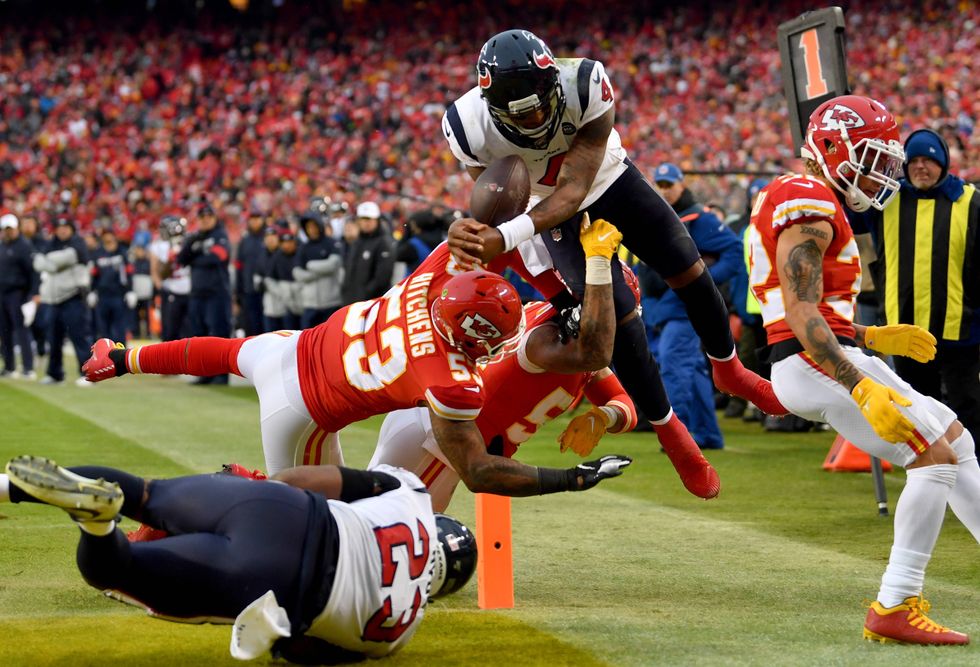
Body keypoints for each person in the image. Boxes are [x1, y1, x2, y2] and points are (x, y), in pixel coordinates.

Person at [442, 29, 786, 498]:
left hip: (607, 180)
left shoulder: (584, 82)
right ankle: (672, 433)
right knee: (618, 319)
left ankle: (728, 367)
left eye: (544, 103)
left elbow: (574, 188)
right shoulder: (466, 126)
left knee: (686, 265)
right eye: (524, 113)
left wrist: (503, 233)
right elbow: (502, 204)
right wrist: (493, 238)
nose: (540, 118)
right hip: (544, 209)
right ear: (493, 107)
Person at [81, 218, 633, 500]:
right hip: (301, 409)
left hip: (290, 346)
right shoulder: (449, 378)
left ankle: (123, 358)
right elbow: (481, 471)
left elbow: (210, 353)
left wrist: (128, 358)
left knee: (227, 352)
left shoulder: (434, 273)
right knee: (301, 519)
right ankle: (189, 507)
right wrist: (571, 479)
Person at [746, 94, 980, 645]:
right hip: (814, 361)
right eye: (872, 159)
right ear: (832, 150)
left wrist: (869, 337)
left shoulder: (808, 194)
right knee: (932, 458)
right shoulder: (808, 200)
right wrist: (859, 382)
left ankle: (899, 599)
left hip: (828, 352)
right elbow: (801, 314)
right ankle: (896, 601)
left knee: (954, 435)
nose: (883, 175)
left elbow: (808, 306)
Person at [0, 455, 475, 662]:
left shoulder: (412, 496)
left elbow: (306, 479)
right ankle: (97, 525)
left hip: (286, 511)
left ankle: (7, 487)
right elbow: (298, 651)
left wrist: (258, 495)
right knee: (117, 568)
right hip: (279, 581)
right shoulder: (398, 634)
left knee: (144, 494)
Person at [370, 292, 637, 510]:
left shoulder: (568, 342)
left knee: (396, 531)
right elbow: (577, 359)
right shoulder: (546, 345)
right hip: (437, 438)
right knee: (383, 524)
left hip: (451, 440)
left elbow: (624, 403)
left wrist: (604, 416)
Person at [854, 128, 980, 453]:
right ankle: (928, 468)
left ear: (944, 163)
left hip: (959, 325)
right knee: (917, 406)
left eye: (929, 160)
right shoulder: (886, 200)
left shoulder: (970, 201)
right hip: (904, 326)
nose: (921, 167)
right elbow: (849, 212)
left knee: (967, 405)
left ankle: (973, 471)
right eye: (915, 161)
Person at [650, 163, 743, 449]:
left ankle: (679, 437)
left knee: (674, 366)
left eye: (669, 185)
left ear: (681, 185)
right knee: (693, 370)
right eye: (660, 185)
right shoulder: (665, 215)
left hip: (683, 308)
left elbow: (735, 250)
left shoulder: (698, 218)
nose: (664, 191)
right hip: (670, 307)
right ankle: (707, 434)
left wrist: (702, 283)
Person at [32, 217, 92, 386]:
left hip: (73, 297)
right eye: (59, 227)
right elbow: (37, 263)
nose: (63, 230)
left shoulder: (78, 243)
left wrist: (46, 260)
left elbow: (53, 263)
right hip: (53, 299)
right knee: (54, 338)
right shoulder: (52, 244)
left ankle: (89, 374)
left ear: (72, 229)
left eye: (66, 227)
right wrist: (48, 261)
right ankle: (55, 374)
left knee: (79, 336)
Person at [177, 204, 232, 385]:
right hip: (197, 293)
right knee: (199, 335)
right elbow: (181, 260)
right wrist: (193, 248)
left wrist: (196, 257)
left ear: (214, 218)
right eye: (202, 217)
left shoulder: (220, 235)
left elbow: (218, 257)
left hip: (217, 293)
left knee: (218, 334)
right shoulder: (194, 237)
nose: (205, 219)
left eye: (208, 216)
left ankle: (222, 374)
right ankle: (205, 373)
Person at [0, 213, 39, 379]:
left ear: (16, 228)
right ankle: (9, 366)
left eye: (10, 229)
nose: (7, 232)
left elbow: (33, 272)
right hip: (2, 293)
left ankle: (28, 367)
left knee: (21, 330)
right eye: (4, 229)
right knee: (5, 331)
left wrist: (33, 294)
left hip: (19, 293)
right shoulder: (2, 245)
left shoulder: (24, 246)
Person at [293, 212, 343, 328]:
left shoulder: (331, 243)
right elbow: (297, 273)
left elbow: (332, 264)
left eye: (314, 226)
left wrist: (310, 265)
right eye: (308, 227)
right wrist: (319, 273)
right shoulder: (303, 248)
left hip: (331, 302)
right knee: (308, 340)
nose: (312, 230)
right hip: (310, 303)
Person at [89, 227, 136, 345]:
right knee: (103, 331)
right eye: (106, 235)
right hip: (102, 296)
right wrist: (92, 291)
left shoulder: (122, 252)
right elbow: (95, 274)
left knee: (119, 329)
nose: (108, 238)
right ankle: (105, 358)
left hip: (119, 295)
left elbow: (129, 272)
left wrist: (130, 290)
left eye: (110, 234)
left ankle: (121, 357)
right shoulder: (98, 253)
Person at [341, 201, 394, 305]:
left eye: (369, 219)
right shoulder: (357, 241)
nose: (366, 223)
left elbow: (382, 278)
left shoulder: (384, 242)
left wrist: (365, 294)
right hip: (354, 302)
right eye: (363, 219)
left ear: (376, 220)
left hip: (373, 303)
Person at [149, 215, 191, 342]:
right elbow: (155, 272)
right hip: (170, 288)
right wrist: (161, 289)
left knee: (190, 331)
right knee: (170, 332)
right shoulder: (158, 246)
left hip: (190, 288)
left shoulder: (189, 241)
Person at [235, 209, 269, 337]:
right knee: (251, 327)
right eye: (252, 219)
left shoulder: (268, 236)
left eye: (258, 218)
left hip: (267, 290)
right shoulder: (245, 240)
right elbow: (239, 266)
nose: (255, 222)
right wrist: (238, 291)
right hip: (248, 290)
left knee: (267, 328)